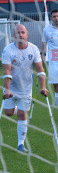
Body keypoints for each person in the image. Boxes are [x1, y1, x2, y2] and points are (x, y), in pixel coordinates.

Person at [2, 24, 48, 152]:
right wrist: (7, 89)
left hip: (26, 89)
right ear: (13, 35)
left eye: (23, 32)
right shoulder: (8, 50)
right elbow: (6, 72)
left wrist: (43, 87)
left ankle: (20, 144)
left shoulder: (33, 49)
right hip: (11, 88)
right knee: (9, 113)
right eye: (18, 33)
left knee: (22, 116)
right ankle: (18, 109)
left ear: (27, 34)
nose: (20, 35)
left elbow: (40, 70)